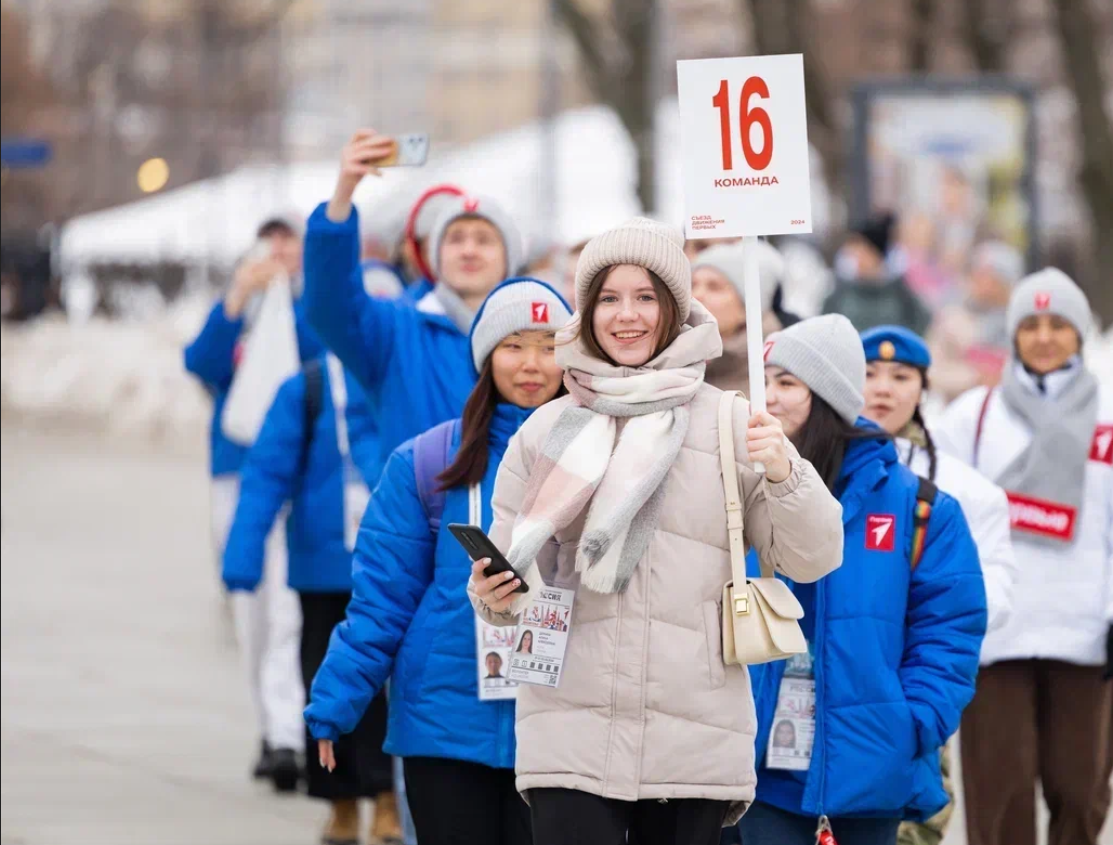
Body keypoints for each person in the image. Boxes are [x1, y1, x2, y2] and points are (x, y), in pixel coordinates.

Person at [468, 217, 844, 845]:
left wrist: (785, 472)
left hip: (693, 737)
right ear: (587, 312)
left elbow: (814, 556)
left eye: (646, 297)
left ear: (675, 309)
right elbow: (502, 597)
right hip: (569, 732)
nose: (627, 316)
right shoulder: (543, 433)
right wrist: (496, 590)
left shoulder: (731, 423)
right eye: (609, 299)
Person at [306, 279, 570, 845]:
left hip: (562, 726)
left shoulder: (603, 456)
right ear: (485, 358)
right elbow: (381, 599)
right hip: (444, 726)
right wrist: (334, 702)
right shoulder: (427, 462)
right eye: (514, 345)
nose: (532, 364)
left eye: (550, 346)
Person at [933, 268, 1113, 845]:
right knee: (999, 789)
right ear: (1013, 334)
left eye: (1058, 325)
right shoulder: (974, 416)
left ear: (1080, 333)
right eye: (1031, 325)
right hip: (996, 633)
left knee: (1082, 787)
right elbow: (944, 513)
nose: (1044, 337)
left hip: (1083, 631)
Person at [730, 314, 986, 845]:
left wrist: (910, 723)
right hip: (753, 769)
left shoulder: (921, 508)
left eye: (787, 383)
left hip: (868, 768)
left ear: (827, 395)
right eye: (764, 382)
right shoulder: (737, 493)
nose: (768, 399)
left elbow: (951, 631)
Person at [221, 351, 398, 842]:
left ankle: (388, 797)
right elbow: (265, 474)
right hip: (322, 571)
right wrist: (243, 555)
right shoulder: (307, 388)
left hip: (391, 564)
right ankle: (339, 801)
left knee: (390, 691)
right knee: (324, 685)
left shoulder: (400, 380)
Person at [857, 325, 1018, 845]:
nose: (883, 389)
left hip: (910, 692)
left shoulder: (965, 492)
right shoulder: (811, 470)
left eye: (900, 376)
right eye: (868, 374)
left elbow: (989, 597)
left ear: (923, 389)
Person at [183, 215, 322, 788]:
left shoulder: (311, 308)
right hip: (236, 471)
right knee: (252, 612)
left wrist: (295, 297)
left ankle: (291, 731)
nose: (280, 255)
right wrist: (238, 296)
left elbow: (321, 364)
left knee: (289, 606)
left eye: (290, 245)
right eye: (272, 246)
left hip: (297, 474)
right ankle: (270, 727)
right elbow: (202, 364)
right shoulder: (237, 313)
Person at [304, 131, 525, 451]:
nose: (469, 250)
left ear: (509, 256)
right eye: (455, 239)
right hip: (423, 501)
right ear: (434, 256)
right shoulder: (395, 330)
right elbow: (330, 305)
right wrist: (342, 197)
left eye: (484, 239)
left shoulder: (539, 331)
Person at [927, 241, 1024, 401]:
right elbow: (931, 370)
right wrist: (974, 377)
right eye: (977, 273)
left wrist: (1003, 378)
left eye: (990, 276)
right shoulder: (953, 318)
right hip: (960, 409)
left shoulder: (1024, 324)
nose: (981, 281)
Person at [690, 242, 784, 397]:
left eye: (714, 287)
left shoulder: (773, 384)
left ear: (747, 307)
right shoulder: (668, 362)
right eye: (693, 285)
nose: (697, 295)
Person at [822, 214, 932, 336]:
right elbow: (824, 322)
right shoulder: (843, 290)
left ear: (876, 254)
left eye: (863, 252)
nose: (857, 258)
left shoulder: (897, 290)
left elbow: (923, 319)